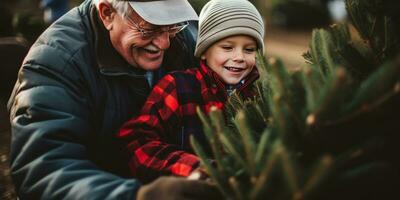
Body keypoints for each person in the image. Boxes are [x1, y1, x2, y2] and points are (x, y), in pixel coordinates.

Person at [7, 0, 221, 199]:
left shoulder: (184, 40)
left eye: (171, 25)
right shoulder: (55, 62)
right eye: (150, 28)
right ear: (108, 13)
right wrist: (139, 196)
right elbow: (43, 169)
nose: (164, 43)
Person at [117, 0, 265, 182]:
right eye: (227, 47)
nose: (239, 57)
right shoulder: (178, 87)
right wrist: (198, 169)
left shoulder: (261, 96)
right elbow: (137, 143)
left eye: (249, 49)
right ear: (204, 50)